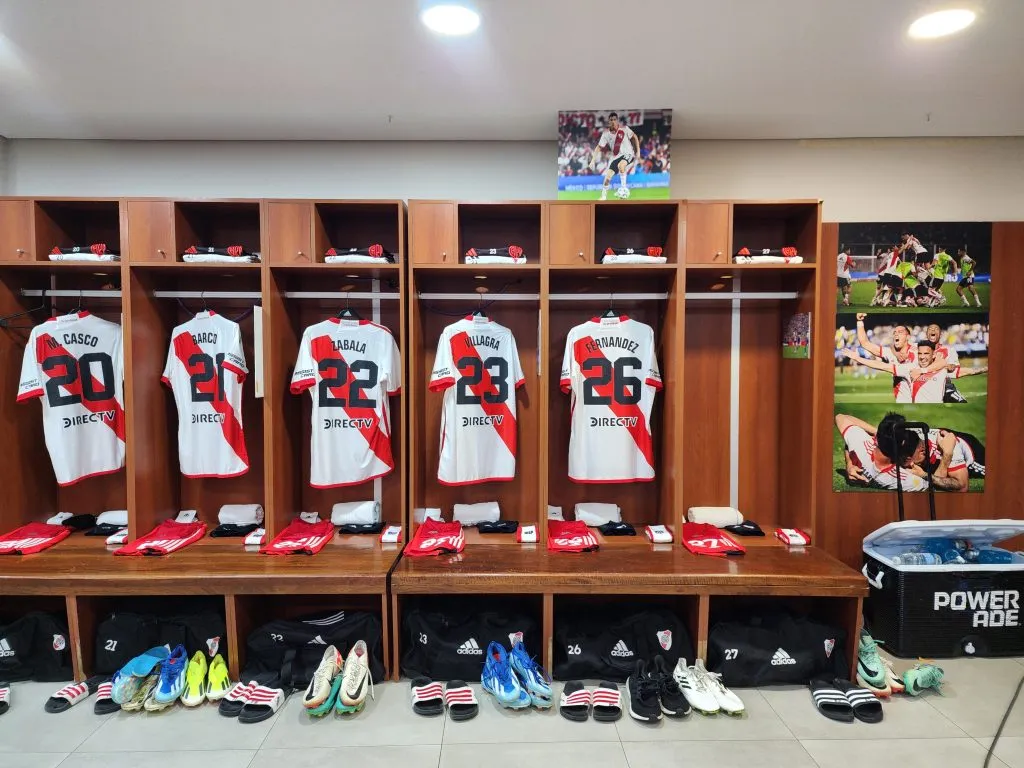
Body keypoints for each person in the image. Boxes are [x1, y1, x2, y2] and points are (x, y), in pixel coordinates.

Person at [843, 339, 986, 403]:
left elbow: (966, 371)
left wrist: (985, 369)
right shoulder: (909, 368)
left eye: (926, 354)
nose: (922, 357)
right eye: (920, 354)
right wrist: (858, 358)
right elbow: (881, 366)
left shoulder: (941, 368)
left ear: (934, 355)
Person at [835, 412, 929, 491]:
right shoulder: (903, 479)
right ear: (902, 444)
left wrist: (849, 463)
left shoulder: (862, 444)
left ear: (876, 439)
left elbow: (840, 417)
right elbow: (930, 486)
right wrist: (924, 474)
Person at [853, 313, 916, 400]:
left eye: (900, 332)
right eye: (894, 332)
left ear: (908, 337)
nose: (896, 334)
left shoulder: (920, 349)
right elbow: (865, 343)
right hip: (903, 400)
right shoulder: (889, 352)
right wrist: (859, 321)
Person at [590, 112, 641, 201]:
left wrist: (638, 151)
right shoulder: (606, 134)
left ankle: (623, 189)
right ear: (609, 122)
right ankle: (603, 197)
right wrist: (592, 160)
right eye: (611, 120)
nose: (613, 121)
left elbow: (635, 137)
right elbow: (599, 147)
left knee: (621, 165)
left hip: (628, 153)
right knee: (607, 178)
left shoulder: (624, 129)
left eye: (615, 119)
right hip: (617, 157)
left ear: (617, 121)